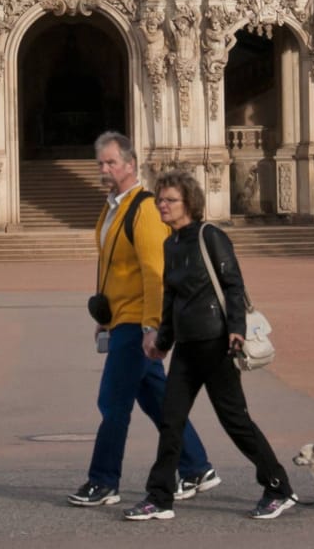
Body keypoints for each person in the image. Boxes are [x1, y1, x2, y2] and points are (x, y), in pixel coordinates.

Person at [124, 170, 297, 521]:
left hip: (217, 344)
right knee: (171, 421)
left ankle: (279, 486)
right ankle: (159, 498)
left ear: (189, 203)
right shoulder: (170, 244)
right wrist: (163, 341)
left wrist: (236, 330)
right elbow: (172, 298)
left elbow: (233, 285)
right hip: (187, 347)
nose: (162, 206)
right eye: (160, 200)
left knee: (235, 422)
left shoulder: (210, 236)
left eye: (169, 200)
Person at [70, 132, 217, 508]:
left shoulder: (145, 208)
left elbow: (154, 272)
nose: (105, 169)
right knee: (158, 401)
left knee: (113, 403)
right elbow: (112, 266)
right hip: (120, 318)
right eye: (101, 163)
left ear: (131, 164)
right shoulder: (112, 206)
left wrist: (153, 327)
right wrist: (104, 315)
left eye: (112, 162)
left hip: (138, 322)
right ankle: (197, 466)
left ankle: (103, 481)